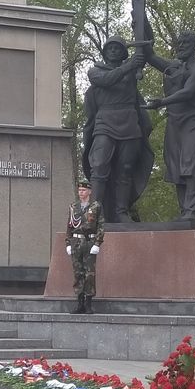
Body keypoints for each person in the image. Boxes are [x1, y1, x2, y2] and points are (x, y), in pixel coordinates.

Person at [81, 36, 153, 222]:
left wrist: (143, 33)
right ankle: (94, 212)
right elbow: (106, 80)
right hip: (105, 122)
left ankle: (121, 212)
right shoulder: (95, 71)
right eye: (110, 48)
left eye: (118, 48)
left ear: (124, 52)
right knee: (99, 166)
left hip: (129, 122)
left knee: (126, 169)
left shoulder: (133, 68)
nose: (113, 51)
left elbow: (147, 46)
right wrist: (129, 66)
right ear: (105, 52)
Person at [143, 29, 195, 222]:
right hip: (174, 123)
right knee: (175, 167)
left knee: (192, 165)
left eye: (185, 44)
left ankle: (192, 211)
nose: (180, 47)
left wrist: (162, 102)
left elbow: (188, 92)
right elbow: (150, 56)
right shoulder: (173, 66)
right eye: (179, 44)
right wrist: (142, 24)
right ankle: (184, 211)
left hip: (192, 122)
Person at [66, 180, 104, 314]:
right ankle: (79, 303)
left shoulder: (96, 206)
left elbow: (100, 225)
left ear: (89, 191)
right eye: (79, 190)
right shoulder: (73, 206)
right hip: (76, 243)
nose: (80, 193)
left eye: (83, 190)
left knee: (89, 274)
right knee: (78, 273)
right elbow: (69, 226)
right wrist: (67, 243)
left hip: (89, 242)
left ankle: (88, 303)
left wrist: (98, 243)